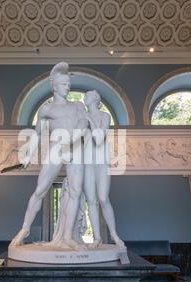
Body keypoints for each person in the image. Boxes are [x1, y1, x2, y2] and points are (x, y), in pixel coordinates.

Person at [9, 62, 89, 249]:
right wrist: (28, 156)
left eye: (68, 84)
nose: (67, 87)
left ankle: (68, 236)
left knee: (76, 192)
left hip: (75, 149)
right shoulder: (46, 109)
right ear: (54, 86)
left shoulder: (77, 106)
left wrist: (72, 139)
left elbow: (84, 125)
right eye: (63, 84)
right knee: (40, 190)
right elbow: (37, 135)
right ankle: (24, 229)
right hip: (55, 148)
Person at [83, 90, 125, 248]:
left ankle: (114, 235)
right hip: (86, 162)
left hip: (101, 161)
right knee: (91, 201)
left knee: (103, 198)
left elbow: (99, 139)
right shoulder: (82, 117)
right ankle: (97, 237)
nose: (83, 98)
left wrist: (90, 121)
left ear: (95, 98)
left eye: (86, 96)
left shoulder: (104, 116)